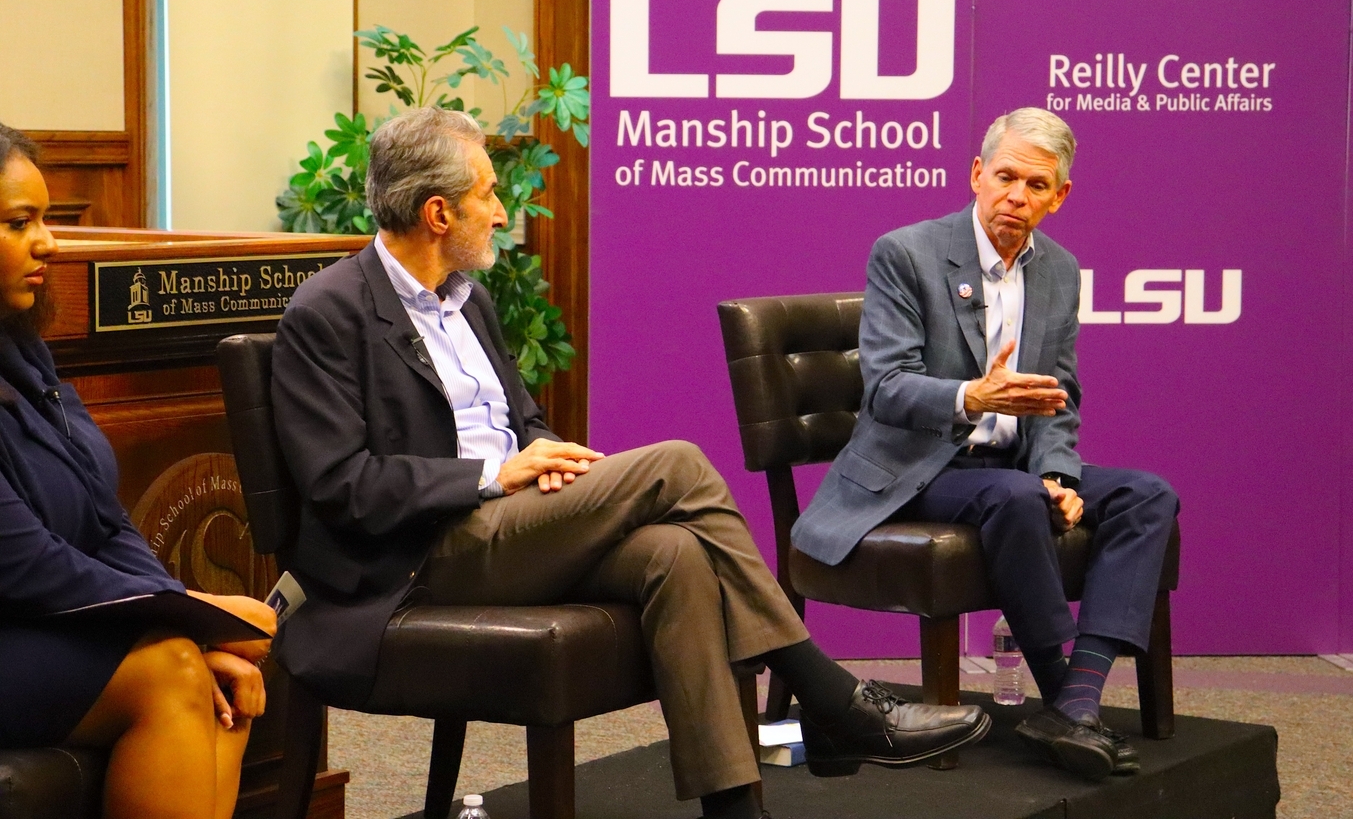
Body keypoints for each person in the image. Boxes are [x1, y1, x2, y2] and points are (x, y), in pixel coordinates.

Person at [269, 106, 990, 819]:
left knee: (674, 552)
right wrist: (494, 476)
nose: (499, 211)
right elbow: (341, 486)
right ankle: (829, 697)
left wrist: (540, 460)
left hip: (507, 529)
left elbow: (525, 425)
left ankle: (736, 808)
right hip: (419, 557)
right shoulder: (329, 310)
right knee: (676, 464)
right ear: (436, 213)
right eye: (487, 194)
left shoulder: (470, 301)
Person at [792, 108, 1179, 781]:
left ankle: (1076, 703)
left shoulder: (1059, 270)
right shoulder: (906, 252)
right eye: (1005, 177)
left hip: (1014, 471)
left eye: (1036, 185)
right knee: (1013, 495)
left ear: (1059, 197)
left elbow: (1058, 396)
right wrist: (973, 396)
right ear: (977, 174)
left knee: (1148, 495)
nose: (1016, 196)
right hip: (915, 468)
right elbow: (886, 388)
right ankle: (1064, 694)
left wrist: (1058, 473)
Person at [0, 123, 277, 819]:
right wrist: (195, 616)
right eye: (18, 223)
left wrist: (187, 616)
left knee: (228, 672)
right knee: (175, 669)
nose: (48, 243)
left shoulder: (23, 350)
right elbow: (25, 565)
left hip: (37, 624)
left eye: (47, 219)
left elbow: (104, 518)